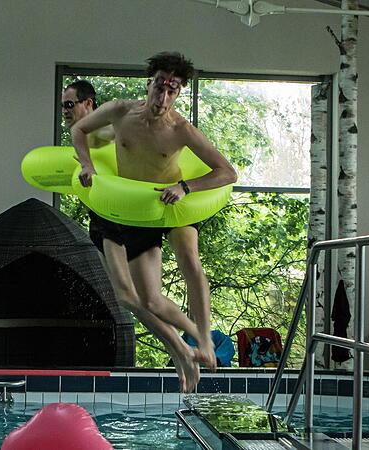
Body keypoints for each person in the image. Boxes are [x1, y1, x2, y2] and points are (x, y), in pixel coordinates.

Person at [71, 52, 237, 392]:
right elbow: (80, 129)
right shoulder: (120, 111)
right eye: (159, 87)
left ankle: (204, 340)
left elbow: (226, 172)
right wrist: (87, 164)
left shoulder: (181, 130)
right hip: (134, 213)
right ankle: (184, 344)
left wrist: (185, 186)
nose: (163, 97)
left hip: (173, 206)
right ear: (149, 83)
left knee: (189, 258)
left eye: (172, 91)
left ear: (179, 93)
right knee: (146, 299)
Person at [61, 80, 114, 148]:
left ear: (88, 103)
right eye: (62, 106)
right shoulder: (82, 132)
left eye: (69, 104)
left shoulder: (100, 129)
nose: (64, 111)